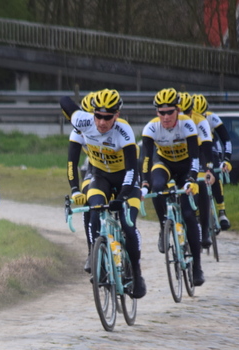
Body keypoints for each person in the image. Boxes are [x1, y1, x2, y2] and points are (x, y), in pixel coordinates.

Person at [60, 88, 146, 298]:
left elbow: (132, 169)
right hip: (101, 177)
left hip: (126, 179)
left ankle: (136, 272)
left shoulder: (124, 131)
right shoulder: (83, 122)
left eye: (108, 117)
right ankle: (96, 254)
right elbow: (63, 101)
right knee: (94, 209)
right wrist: (74, 190)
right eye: (98, 116)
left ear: (117, 115)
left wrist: (122, 196)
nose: (101, 122)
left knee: (128, 224)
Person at [140, 87, 205, 286]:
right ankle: (163, 226)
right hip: (164, 163)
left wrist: (192, 179)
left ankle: (197, 267)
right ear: (156, 112)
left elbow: (195, 157)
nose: (166, 116)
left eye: (170, 112)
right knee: (157, 186)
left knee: (187, 214)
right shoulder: (151, 128)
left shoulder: (187, 125)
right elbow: (146, 159)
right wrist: (144, 182)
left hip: (186, 167)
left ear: (177, 110)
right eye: (162, 112)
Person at [61, 91, 97, 272]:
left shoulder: (110, 126)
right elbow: (71, 165)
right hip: (95, 166)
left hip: (118, 166)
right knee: (87, 198)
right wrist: (75, 190)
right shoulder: (79, 131)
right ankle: (92, 251)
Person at [180, 92, 217, 249]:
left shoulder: (200, 121)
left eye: (187, 112)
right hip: (180, 157)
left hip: (199, 152)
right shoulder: (170, 123)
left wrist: (209, 169)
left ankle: (205, 230)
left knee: (202, 185)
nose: (184, 116)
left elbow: (207, 147)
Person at [192, 93, 233, 230]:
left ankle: (222, 211)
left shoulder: (212, 118)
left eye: (202, 115)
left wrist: (226, 159)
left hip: (210, 148)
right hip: (195, 149)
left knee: (214, 171)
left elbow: (226, 140)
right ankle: (197, 211)